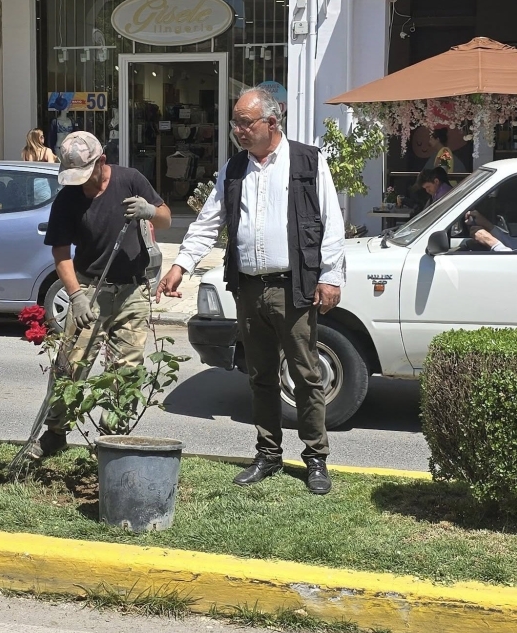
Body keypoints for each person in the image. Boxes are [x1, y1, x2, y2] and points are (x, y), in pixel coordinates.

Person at [156, 87, 345, 495]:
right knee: (260, 375)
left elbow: (331, 222)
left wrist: (331, 276)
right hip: (249, 287)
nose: (238, 130)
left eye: (245, 122)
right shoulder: (235, 167)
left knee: (306, 375)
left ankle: (315, 459)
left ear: (271, 123)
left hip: (292, 288)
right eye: (235, 122)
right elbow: (209, 221)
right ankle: (268, 453)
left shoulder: (308, 161)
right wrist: (180, 264)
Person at [24, 130, 171, 460]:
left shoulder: (130, 180)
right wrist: (75, 295)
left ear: (101, 161)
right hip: (90, 289)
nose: (81, 183)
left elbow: (165, 217)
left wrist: (149, 210)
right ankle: (56, 433)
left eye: (86, 174)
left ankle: (110, 439)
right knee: (70, 365)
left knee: (126, 369)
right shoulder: (69, 198)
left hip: (133, 290)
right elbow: (61, 253)